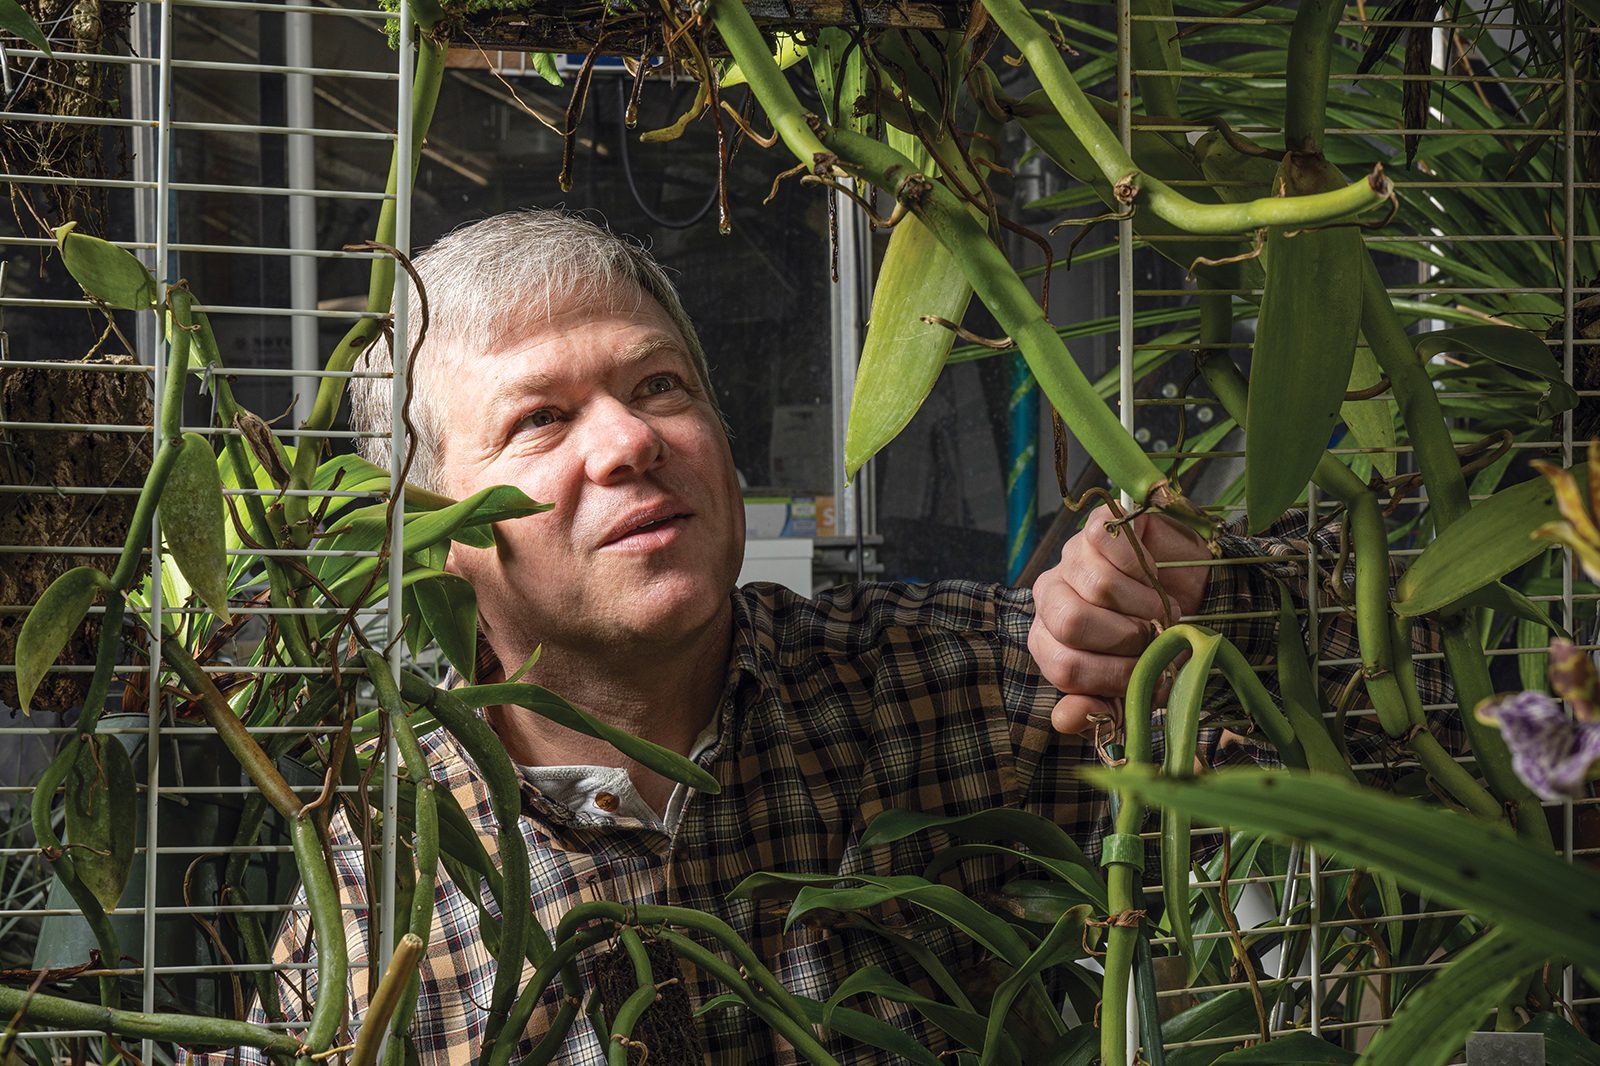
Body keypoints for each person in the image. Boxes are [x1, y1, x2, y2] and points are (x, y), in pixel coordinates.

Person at [216, 209, 1449, 1065]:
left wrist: (1201, 600)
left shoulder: (923, 687)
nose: (632, 440)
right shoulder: (384, 888)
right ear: (436, 534)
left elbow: (1419, 708)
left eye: (659, 387)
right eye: (540, 419)